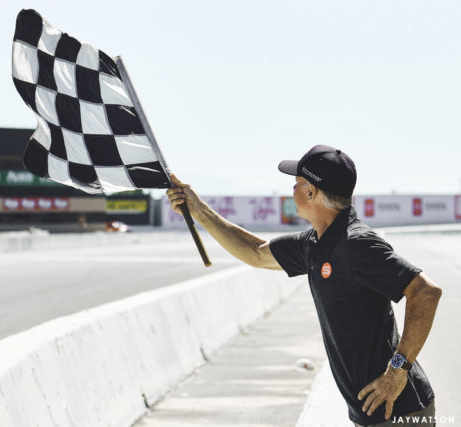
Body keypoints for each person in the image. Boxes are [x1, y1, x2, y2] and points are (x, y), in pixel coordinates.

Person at [166, 145, 442, 427]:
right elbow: (255, 251)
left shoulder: (356, 244)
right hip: (373, 414)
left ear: (312, 192)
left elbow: (426, 292)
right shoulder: (315, 243)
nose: (292, 190)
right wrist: (197, 209)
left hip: (401, 412)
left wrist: (397, 371)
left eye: (297, 183)